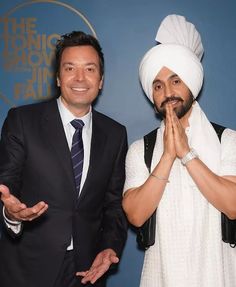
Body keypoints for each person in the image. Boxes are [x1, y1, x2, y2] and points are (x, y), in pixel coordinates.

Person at [0, 31, 128, 287]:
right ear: (58, 77)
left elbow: (114, 205)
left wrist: (110, 247)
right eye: (70, 68)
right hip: (27, 270)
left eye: (90, 69)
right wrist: (12, 214)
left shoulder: (115, 134)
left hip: (86, 273)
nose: (80, 78)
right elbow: (7, 186)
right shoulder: (22, 121)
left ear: (101, 80)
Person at [122, 14, 236, 287]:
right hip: (160, 278)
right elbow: (136, 215)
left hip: (218, 276)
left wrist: (187, 154)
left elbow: (232, 206)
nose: (167, 92)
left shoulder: (228, 140)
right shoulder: (142, 150)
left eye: (176, 81)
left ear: (192, 85)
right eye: (158, 86)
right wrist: (167, 156)